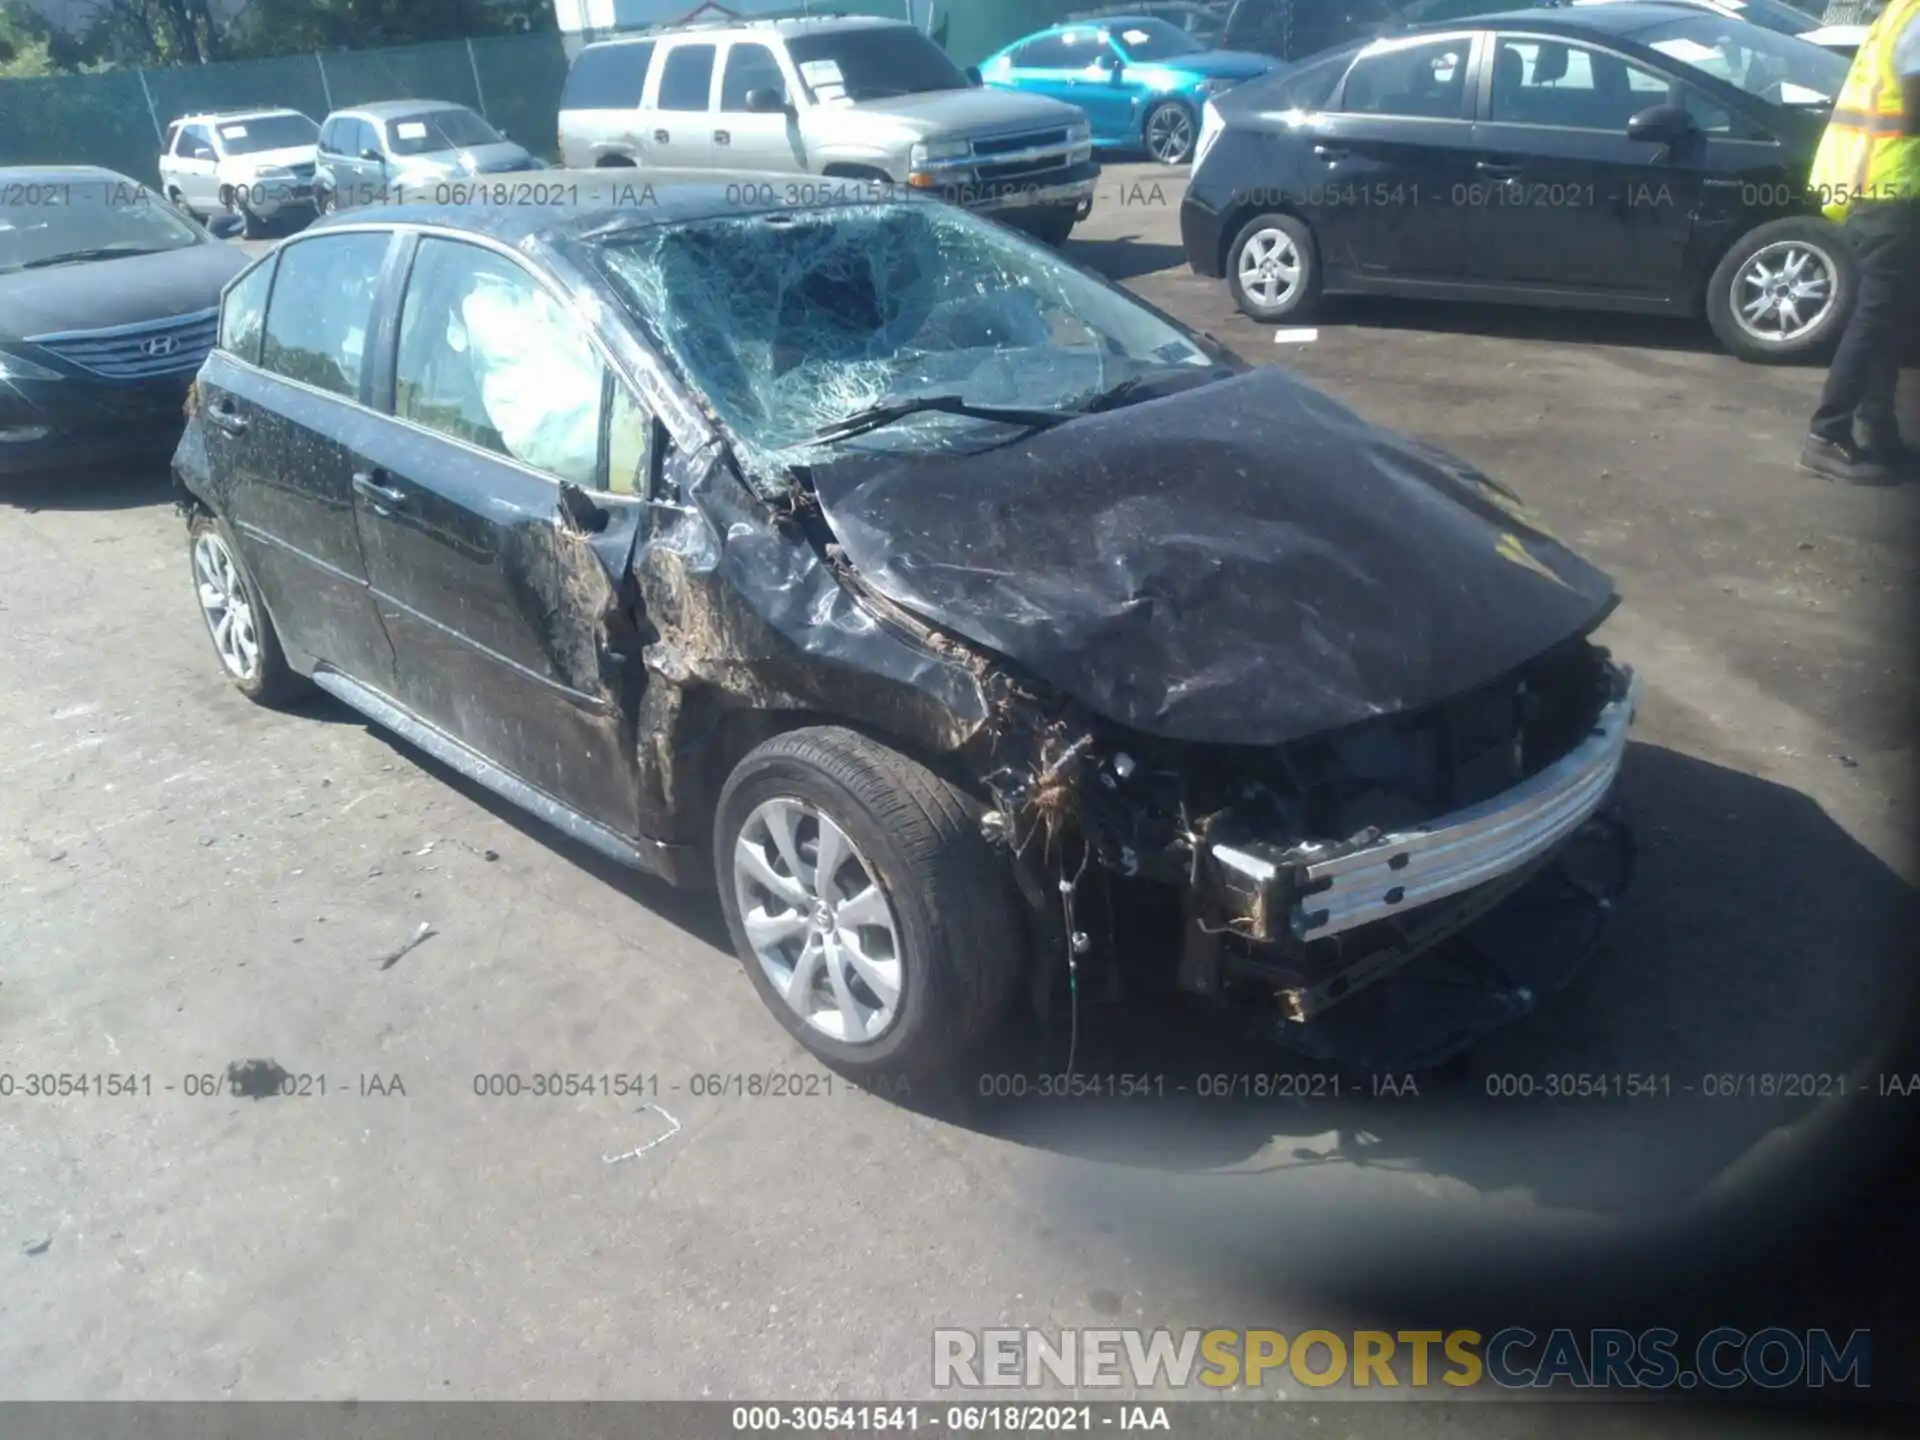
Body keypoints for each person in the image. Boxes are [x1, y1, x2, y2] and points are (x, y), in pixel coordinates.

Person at [1799, 0, 1920, 484]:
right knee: (1876, 317)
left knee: (1890, 317)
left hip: (1882, 188)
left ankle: (1879, 430)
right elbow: (1913, 110)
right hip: (1895, 191)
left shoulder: (1899, 12)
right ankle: (1826, 435)